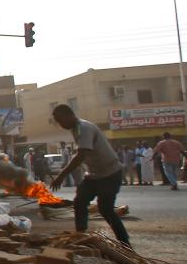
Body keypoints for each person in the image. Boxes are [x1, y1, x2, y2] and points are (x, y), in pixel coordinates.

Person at [49, 105, 130, 246]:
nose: (61, 125)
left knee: (105, 209)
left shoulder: (84, 128)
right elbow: (81, 153)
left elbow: (81, 154)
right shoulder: (76, 129)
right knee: (79, 201)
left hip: (110, 173)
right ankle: (80, 235)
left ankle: (124, 243)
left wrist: (61, 175)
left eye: (60, 121)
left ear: (69, 115)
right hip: (94, 175)